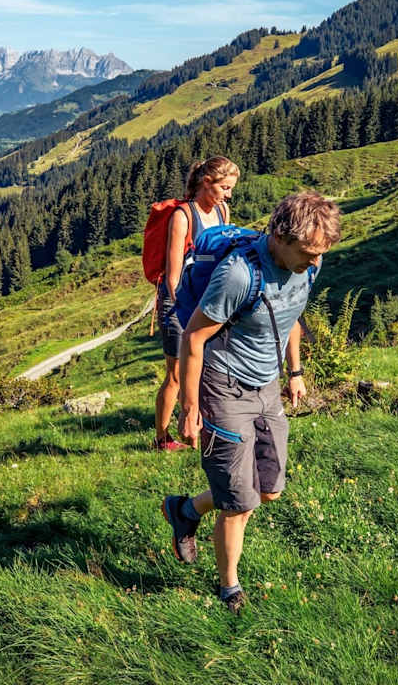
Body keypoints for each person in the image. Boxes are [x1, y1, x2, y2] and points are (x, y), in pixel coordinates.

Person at [161, 191, 341, 612]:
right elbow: (193, 336)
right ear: (279, 234)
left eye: (321, 253)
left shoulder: (308, 264)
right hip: (224, 389)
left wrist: (294, 372)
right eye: (308, 252)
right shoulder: (239, 275)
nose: (315, 262)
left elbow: (292, 313)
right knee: (239, 503)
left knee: (268, 491)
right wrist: (190, 410)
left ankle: (185, 509)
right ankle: (229, 588)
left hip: (268, 386)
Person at [153, 156, 240, 451]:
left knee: (206, 369)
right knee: (177, 374)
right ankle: (163, 438)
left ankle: (198, 429)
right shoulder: (183, 216)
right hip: (180, 302)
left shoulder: (222, 211)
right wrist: (188, 315)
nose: (228, 194)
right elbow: (173, 278)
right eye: (225, 187)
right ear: (207, 183)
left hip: (209, 300)